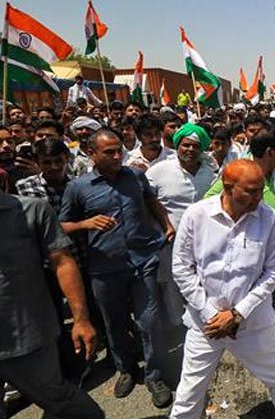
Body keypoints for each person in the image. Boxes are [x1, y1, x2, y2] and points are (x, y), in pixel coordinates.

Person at [170, 159, 275, 419]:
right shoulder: (197, 215)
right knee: (188, 392)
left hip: (253, 323)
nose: (258, 197)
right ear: (227, 188)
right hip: (206, 325)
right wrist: (211, 314)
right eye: (250, 191)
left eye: (260, 190)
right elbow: (182, 268)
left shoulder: (269, 219)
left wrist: (238, 313)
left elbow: (274, 270)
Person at [59, 129, 175, 407]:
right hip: (105, 268)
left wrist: (166, 224)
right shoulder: (78, 188)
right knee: (115, 324)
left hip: (142, 261)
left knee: (149, 321)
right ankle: (126, 369)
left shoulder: (135, 176)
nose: (116, 156)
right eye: (108, 152)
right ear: (91, 154)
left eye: (118, 151)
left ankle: (154, 375)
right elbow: (61, 226)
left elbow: (151, 201)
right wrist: (85, 224)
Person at [0, 192, 103, 419]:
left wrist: (81, 320)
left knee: (60, 399)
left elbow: (62, 262)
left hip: (27, 340)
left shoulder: (33, 210)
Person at [146, 123, 216, 325]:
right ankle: (177, 328)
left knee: (203, 286)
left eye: (195, 146)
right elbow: (147, 201)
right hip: (170, 243)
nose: (190, 150)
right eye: (186, 145)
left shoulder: (211, 172)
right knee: (173, 288)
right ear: (177, 146)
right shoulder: (158, 171)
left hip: (205, 243)